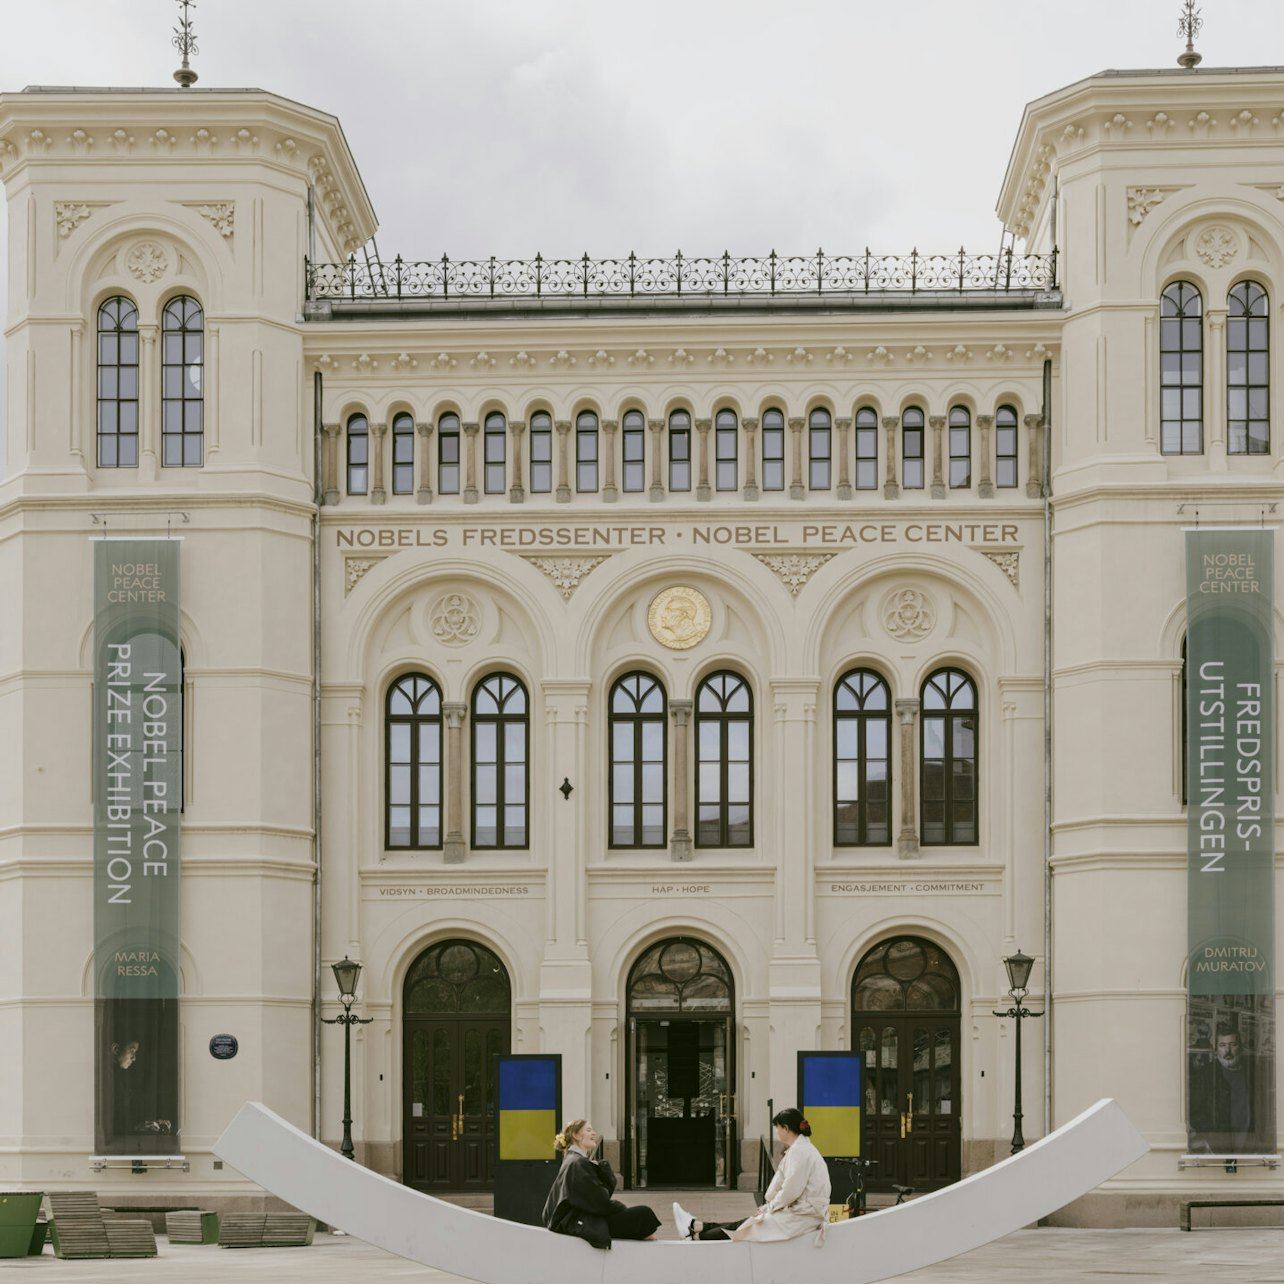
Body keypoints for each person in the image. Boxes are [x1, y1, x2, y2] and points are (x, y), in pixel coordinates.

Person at [673, 1108, 831, 1245]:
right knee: (747, 1225)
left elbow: (791, 1190)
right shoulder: (800, 1149)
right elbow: (782, 1187)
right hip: (800, 1213)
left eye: (777, 1128)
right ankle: (696, 1227)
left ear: (786, 1128)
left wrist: (770, 1207)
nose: (776, 1132)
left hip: (803, 1217)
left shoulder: (800, 1152)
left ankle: (696, 1232)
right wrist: (769, 1206)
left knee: (747, 1227)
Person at [542, 1120, 661, 1250]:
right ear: (576, 1135)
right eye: (588, 1130)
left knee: (640, 1218)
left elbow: (598, 1197)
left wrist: (601, 1169)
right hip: (582, 1223)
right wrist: (621, 1208)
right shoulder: (577, 1163)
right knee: (643, 1214)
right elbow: (600, 1201)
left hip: (580, 1221)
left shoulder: (574, 1160)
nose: (594, 1133)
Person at [1189, 1026, 1269, 1153]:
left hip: (1249, 1142)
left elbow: (1263, 1107)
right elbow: (1194, 1111)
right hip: (1219, 1144)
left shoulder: (1251, 1073)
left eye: (1233, 1045)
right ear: (1216, 1050)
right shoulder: (1206, 1074)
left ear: (1240, 1047)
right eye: (1222, 1045)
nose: (1228, 1051)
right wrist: (1211, 1139)